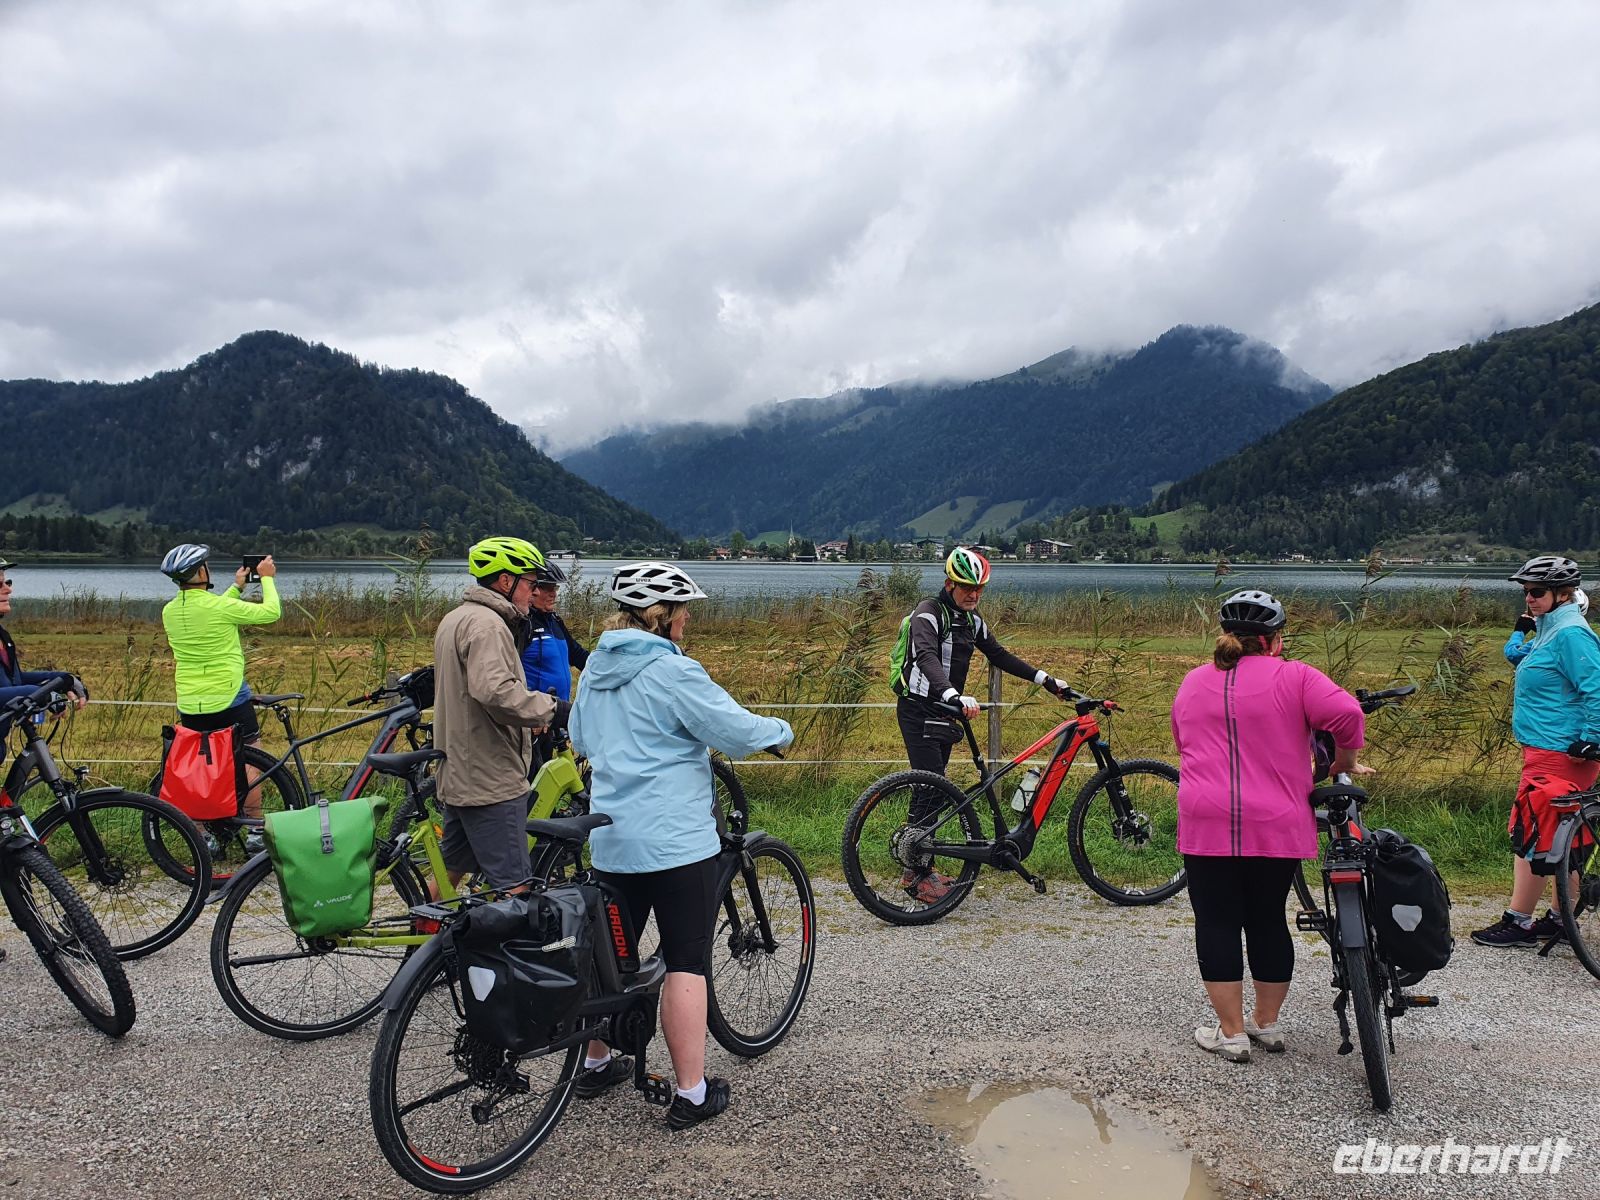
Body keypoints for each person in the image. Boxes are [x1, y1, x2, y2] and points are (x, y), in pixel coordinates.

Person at [568, 561, 793, 1129]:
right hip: (675, 844)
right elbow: (733, 729)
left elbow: (580, 736)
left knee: (611, 955)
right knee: (687, 962)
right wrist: (779, 731)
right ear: (659, 615)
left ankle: (595, 1062)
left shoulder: (596, 669)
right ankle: (690, 1093)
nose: (688, 618)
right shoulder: (674, 672)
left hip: (613, 839)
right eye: (683, 609)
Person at [1171, 589, 1366, 1063]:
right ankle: (1267, 1024)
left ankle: (1231, 1032)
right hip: (1276, 820)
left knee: (1216, 921)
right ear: (1275, 640)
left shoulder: (1193, 681)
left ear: (1226, 637)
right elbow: (1348, 714)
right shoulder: (1296, 676)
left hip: (1208, 817)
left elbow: (1181, 738)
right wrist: (1343, 761)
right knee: (1266, 917)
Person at [891, 545, 1068, 903]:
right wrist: (953, 693)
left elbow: (999, 655)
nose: (973, 594)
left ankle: (918, 861)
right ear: (949, 583)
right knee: (930, 786)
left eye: (979, 588)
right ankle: (916, 873)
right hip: (919, 708)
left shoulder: (973, 622)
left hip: (945, 710)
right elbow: (925, 656)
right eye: (966, 587)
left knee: (935, 789)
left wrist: (1045, 679)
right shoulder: (928, 614)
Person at [1473, 556, 1600, 948]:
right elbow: (1520, 658)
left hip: (1563, 752)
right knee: (1567, 835)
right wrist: (1521, 629)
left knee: (1529, 831)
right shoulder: (1550, 631)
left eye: (1537, 592)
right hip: (1547, 749)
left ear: (1564, 594)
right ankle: (1563, 920)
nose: (1529, 598)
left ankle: (1520, 921)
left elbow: (1595, 686)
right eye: (1526, 591)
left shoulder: (1571, 635)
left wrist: (1592, 737)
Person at [432, 536, 556, 893]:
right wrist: (549, 711)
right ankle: (504, 950)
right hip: (490, 778)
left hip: (461, 771)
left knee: (449, 873)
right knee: (515, 887)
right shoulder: (488, 625)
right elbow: (497, 693)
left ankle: (423, 943)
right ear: (506, 581)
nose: (533, 593)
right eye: (530, 583)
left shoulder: (457, 618)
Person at [160, 544, 280, 851]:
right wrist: (266, 578)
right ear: (201, 572)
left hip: (190, 701)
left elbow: (212, 611)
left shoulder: (170, 611)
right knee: (249, 757)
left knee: (198, 765)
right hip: (229, 696)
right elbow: (271, 613)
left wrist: (236, 588)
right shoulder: (218, 608)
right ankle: (255, 831)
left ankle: (202, 836)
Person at [0, 558, 89, 963]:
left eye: (7, 580)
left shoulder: (2, 638)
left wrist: (61, 678)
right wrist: (43, 691)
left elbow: (13, 684)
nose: (7, 588)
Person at [519, 557, 588, 770]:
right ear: (532, 590)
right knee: (532, 781)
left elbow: (576, 654)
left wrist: (608, 671)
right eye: (547, 587)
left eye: (555, 587)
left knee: (548, 775)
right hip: (533, 720)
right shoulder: (522, 625)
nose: (554, 593)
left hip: (555, 714)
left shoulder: (554, 621)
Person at [1506, 586, 1589, 667]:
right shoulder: (1582, 634)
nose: (1529, 599)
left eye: (1538, 593)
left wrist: (1519, 631)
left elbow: (1514, 655)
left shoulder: (1561, 636)